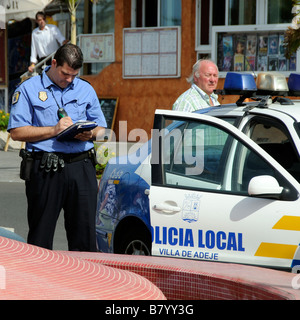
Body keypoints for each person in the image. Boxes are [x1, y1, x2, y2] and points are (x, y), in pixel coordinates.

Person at [8, 43, 107, 252]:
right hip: (46, 168)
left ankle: (83, 284)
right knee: (40, 240)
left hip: (81, 168)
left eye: (74, 74)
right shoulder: (28, 89)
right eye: (65, 73)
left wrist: (90, 133)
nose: (69, 79)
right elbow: (17, 131)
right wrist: (53, 130)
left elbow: (102, 129)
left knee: (85, 238)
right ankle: (40, 284)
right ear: (53, 63)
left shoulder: (85, 88)